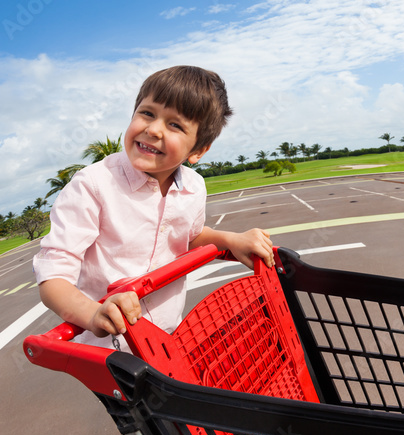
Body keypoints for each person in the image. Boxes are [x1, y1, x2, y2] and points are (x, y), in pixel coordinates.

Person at [33, 65, 273, 345]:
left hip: (170, 337)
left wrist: (231, 239)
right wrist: (93, 312)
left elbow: (189, 237)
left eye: (175, 125)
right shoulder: (92, 185)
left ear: (197, 150)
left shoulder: (194, 187)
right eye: (147, 113)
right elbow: (54, 276)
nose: (153, 129)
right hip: (111, 350)